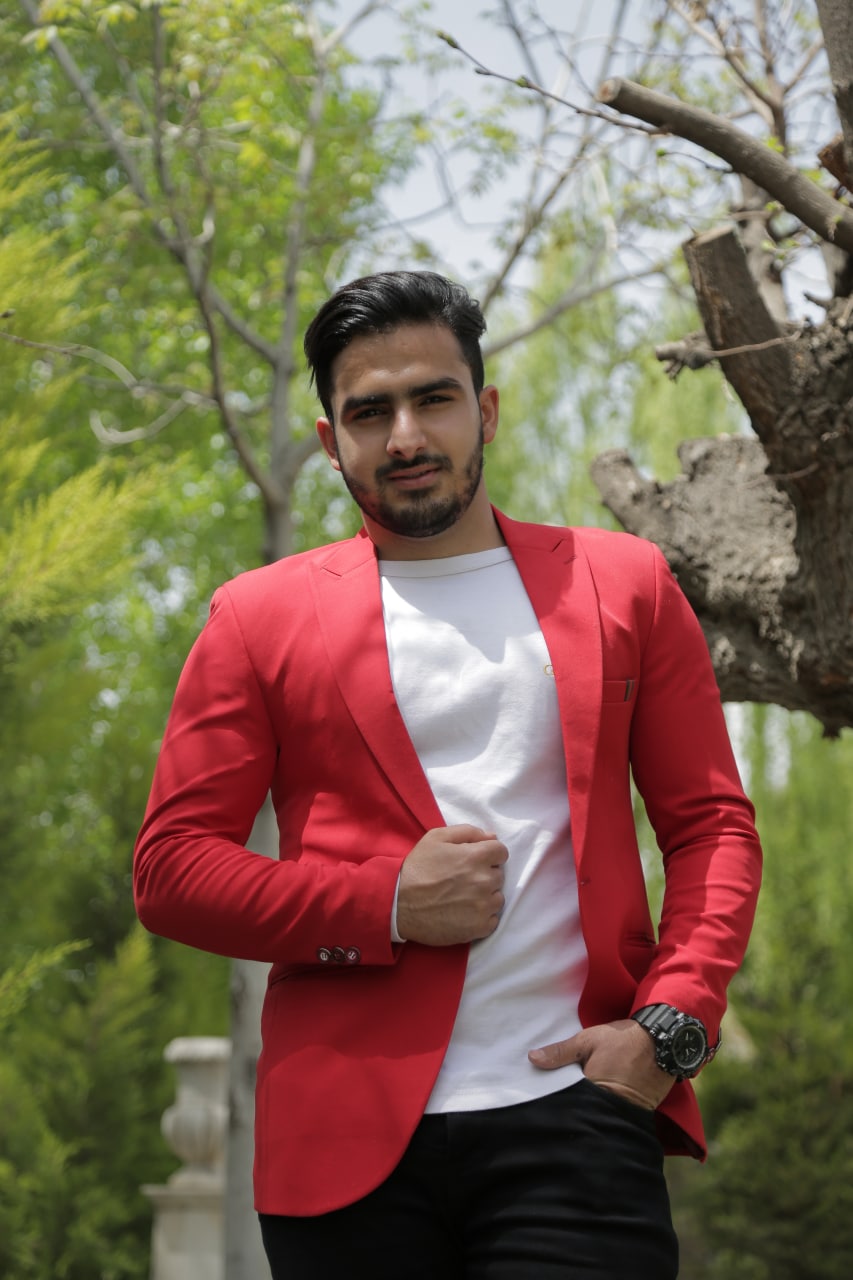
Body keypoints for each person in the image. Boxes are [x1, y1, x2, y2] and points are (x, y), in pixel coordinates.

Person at [134, 270, 762, 1279]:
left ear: (486, 409)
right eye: (368, 412)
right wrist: (385, 902)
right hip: (343, 1142)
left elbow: (712, 828)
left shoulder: (623, 583)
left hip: (578, 1115)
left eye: (434, 398)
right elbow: (171, 869)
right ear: (330, 438)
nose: (406, 437)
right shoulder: (258, 616)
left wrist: (671, 1024)